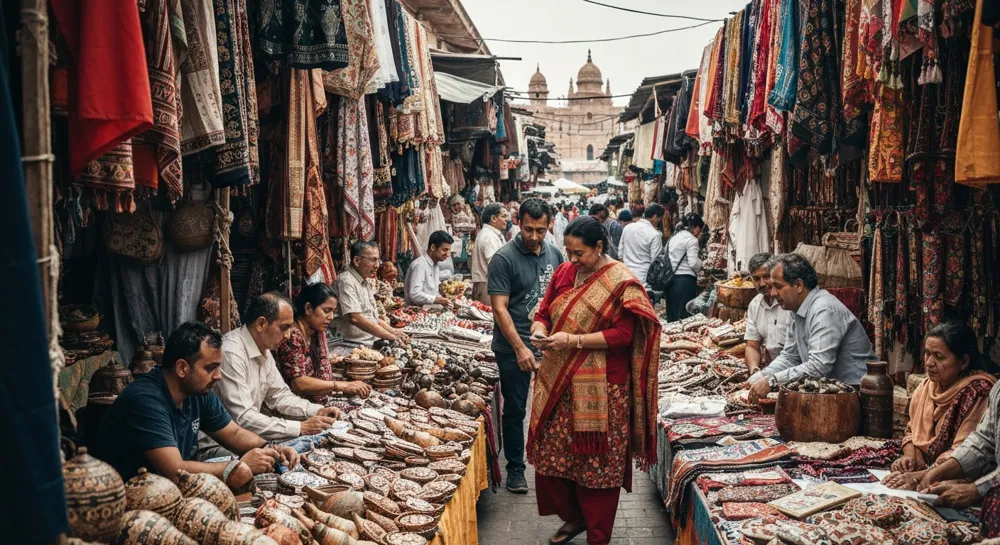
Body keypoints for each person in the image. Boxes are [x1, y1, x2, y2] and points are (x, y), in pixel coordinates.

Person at [528, 216, 661, 545]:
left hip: (605, 386)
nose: (573, 260)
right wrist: (539, 330)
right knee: (552, 455)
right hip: (558, 378)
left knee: (598, 465)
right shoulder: (563, 272)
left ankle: (598, 533)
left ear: (599, 247)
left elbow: (624, 334)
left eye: (580, 253)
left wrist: (572, 341)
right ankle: (574, 518)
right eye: (569, 252)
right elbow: (544, 311)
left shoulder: (620, 281)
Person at [92, 322, 300, 486]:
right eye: (210, 368)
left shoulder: (198, 391)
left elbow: (233, 434)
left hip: (164, 489)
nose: (218, 376)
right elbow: (175, 471)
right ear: (182, 368)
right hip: (125, 498)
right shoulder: (145, 400)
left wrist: (271, 449)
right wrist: (235, 467)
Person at [488, 198, 565, 494]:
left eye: (541, 230)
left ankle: (555, 464)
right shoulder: (503, 258)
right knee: (516, 409)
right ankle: (516, 469)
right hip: (512, 346)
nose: (534, 237)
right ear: (518, 223)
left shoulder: (555, 253)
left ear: (549, 227)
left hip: (549, 345)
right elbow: (500, 308)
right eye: (529, 229)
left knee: (554, 407)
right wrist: (520, 348)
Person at [881, 321, 996, 492]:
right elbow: (911, 431)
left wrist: (924, 475)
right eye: (927, 354)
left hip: (955, 471)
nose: (929, 362)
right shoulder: (927, 386)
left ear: (963, 362)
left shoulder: (977, 393)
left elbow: (965, 452)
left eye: (939, 356)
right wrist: (910, 456)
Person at [747, 254, 876, 403]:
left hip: (856, 394)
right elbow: (790, 357)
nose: (773, 293)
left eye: (778, 286)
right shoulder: (796, 310)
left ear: (799, 285)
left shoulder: (824, 310)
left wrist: (772, 381)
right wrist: (759, 377)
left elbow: (819, 366)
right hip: (832, 392)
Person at [276, 283, 372, 406]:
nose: (331, 317)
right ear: (308, 308)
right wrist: (341, 386)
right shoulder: (293, 336)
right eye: (326, 311)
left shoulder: (315, 332)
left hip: (309, 401)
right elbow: (298, 383)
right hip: (292, 404)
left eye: (333, 312)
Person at [334, 241, 411, 346]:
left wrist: (394, 332)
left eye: (378, 260)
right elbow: (355, 318)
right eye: (373, 260)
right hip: (350, 344)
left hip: (368, 340)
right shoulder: (345, 281)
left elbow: (373, 318)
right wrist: (391, 336)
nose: (377, 265)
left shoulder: (365, 281)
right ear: (356, 260)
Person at [743, 252, 790, 375]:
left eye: (767, 276)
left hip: (794, 368)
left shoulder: (790, 302)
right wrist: (754, 370)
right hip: (772, 369)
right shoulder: (755, 304)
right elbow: (752, 346)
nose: (762, 283)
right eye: (756, 279)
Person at [664, 212, 705, 322]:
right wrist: (702, 264)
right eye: (699, 229)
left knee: (673, 314)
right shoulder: (691, 240)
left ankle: (672, 337)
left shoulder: (675, 237)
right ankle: (684, 337)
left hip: (671, 280)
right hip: (685, 282)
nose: (699, 233)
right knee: (684, 315)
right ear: (695, 227)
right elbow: (693, 263)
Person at [404, 230, 455, 308]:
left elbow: (433, 292)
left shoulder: (435, 265)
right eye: (445, 250)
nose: (448, 254)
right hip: (416, 312)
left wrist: (446, 298)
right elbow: (415, 294)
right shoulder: (419, 265)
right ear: (433, 247)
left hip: (430, 311)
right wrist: (439, 300)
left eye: (449, 250)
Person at [618, 203, 665, 285]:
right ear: (655, 216)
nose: (659, 221)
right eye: (659, 218)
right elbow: (655, 262)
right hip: (643, 278)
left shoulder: (628, 228)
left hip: (626, 275)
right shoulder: (655, 234)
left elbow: (620, 255)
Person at [472, 203, 509, 305]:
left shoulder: (492, 234)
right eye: (503, 216)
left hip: (489, 285)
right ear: (493, 218)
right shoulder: (489, 237)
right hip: (488, 286)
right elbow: (495, 264)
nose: (506, 220)